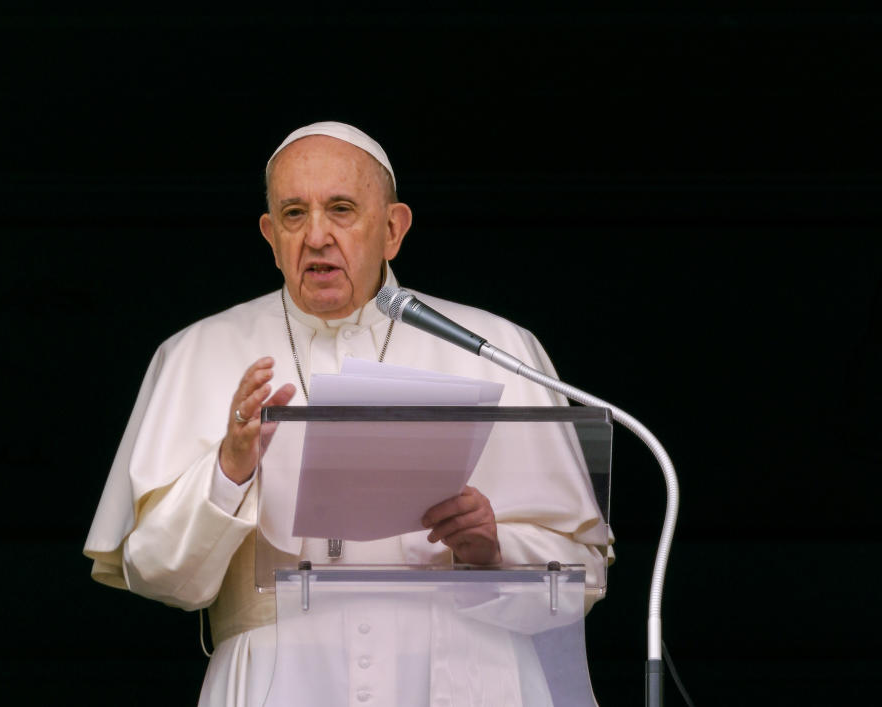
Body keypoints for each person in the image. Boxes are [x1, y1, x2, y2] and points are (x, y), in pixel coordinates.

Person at [84, 122, 611, 706]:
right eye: (292, 214)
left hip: (465, 682)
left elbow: (583, 576)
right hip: (278, 684)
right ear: (269, 234)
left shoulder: (494, 347)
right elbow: (155, 575)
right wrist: (227, 471)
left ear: (392, 229)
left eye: (340, 209)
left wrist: (495, 549)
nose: (316, 236)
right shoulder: (197, 353)